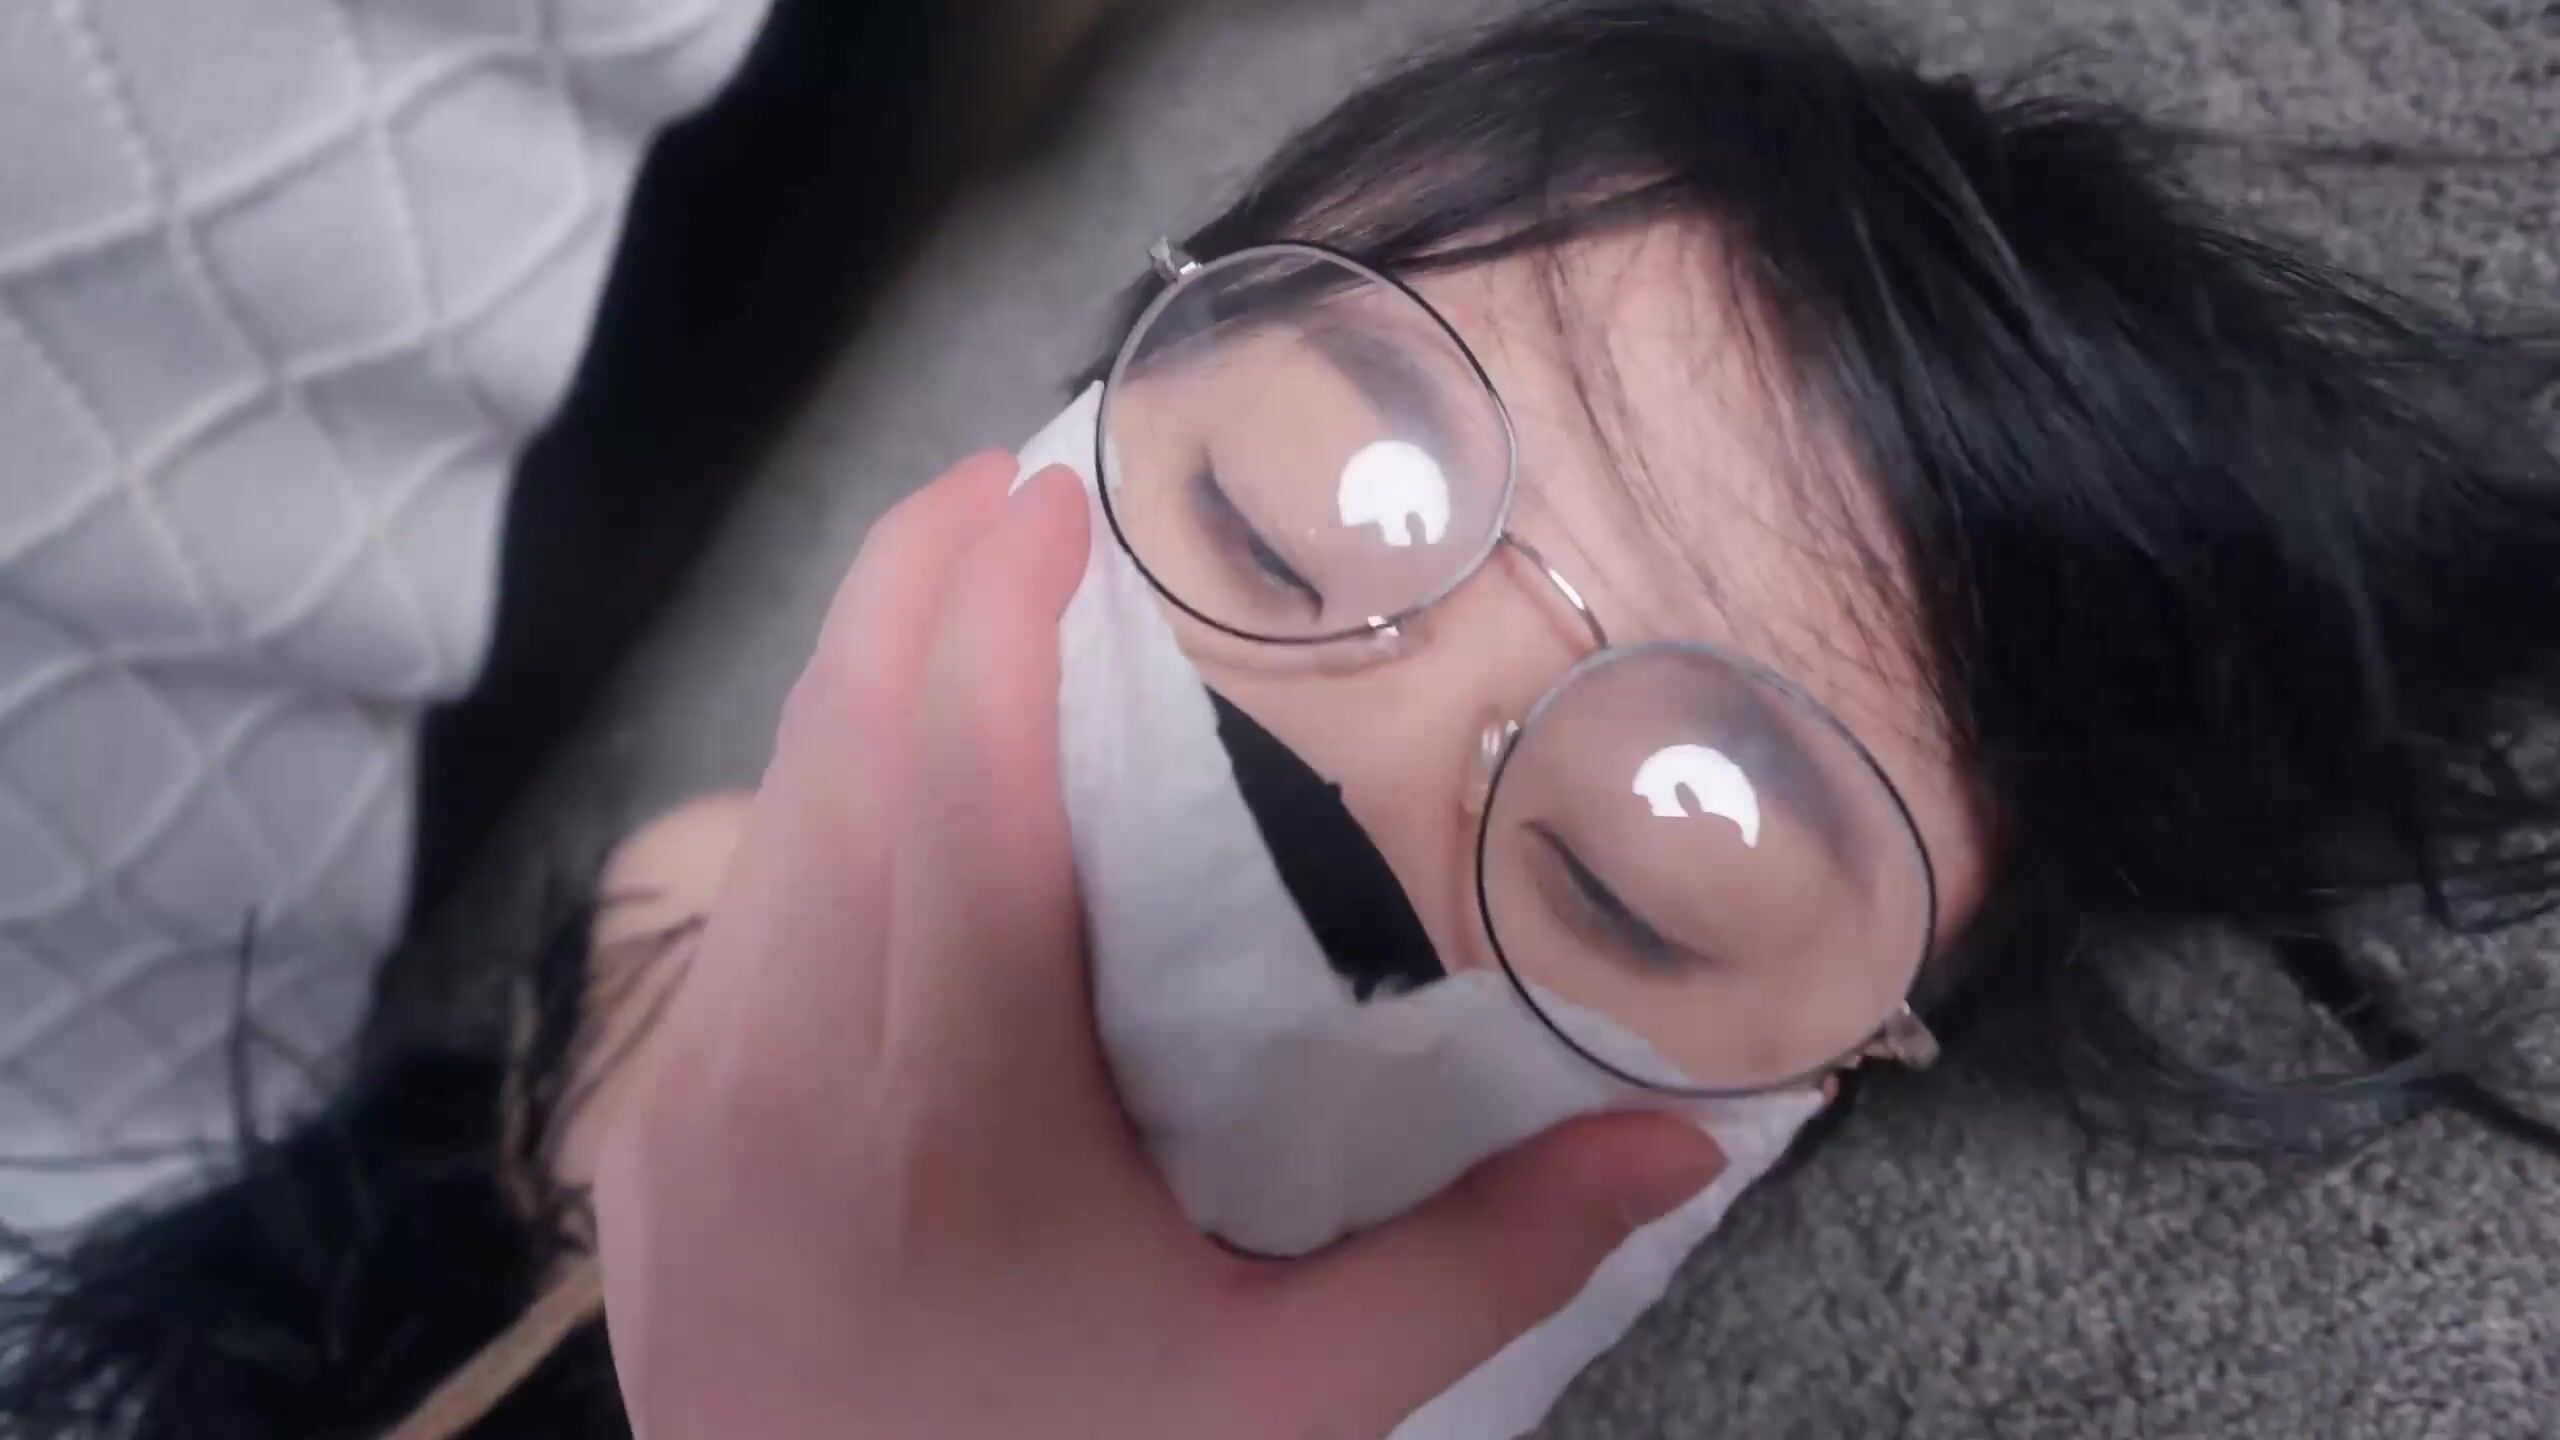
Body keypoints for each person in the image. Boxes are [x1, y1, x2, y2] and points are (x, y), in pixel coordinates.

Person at [6, 2, 2556, 1435]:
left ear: (1809, 1094)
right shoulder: (674, 925)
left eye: (1645, 860)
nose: (1362, 747)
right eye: (1289, 511)